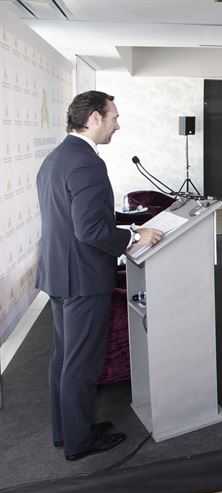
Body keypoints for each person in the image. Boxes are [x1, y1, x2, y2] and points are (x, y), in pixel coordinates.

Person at [37, 91, 163, 461]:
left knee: (64, 358)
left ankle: (66, 432)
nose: (117, 125)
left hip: (58, 272)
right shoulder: (87, 163)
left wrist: (131, 222)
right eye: (113, 117)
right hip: (83, 278)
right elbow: (90, 230)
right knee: (81, 363)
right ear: (94, 118)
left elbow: (79, 215)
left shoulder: (57, 157)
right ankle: (80, 442)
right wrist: (134, 238)